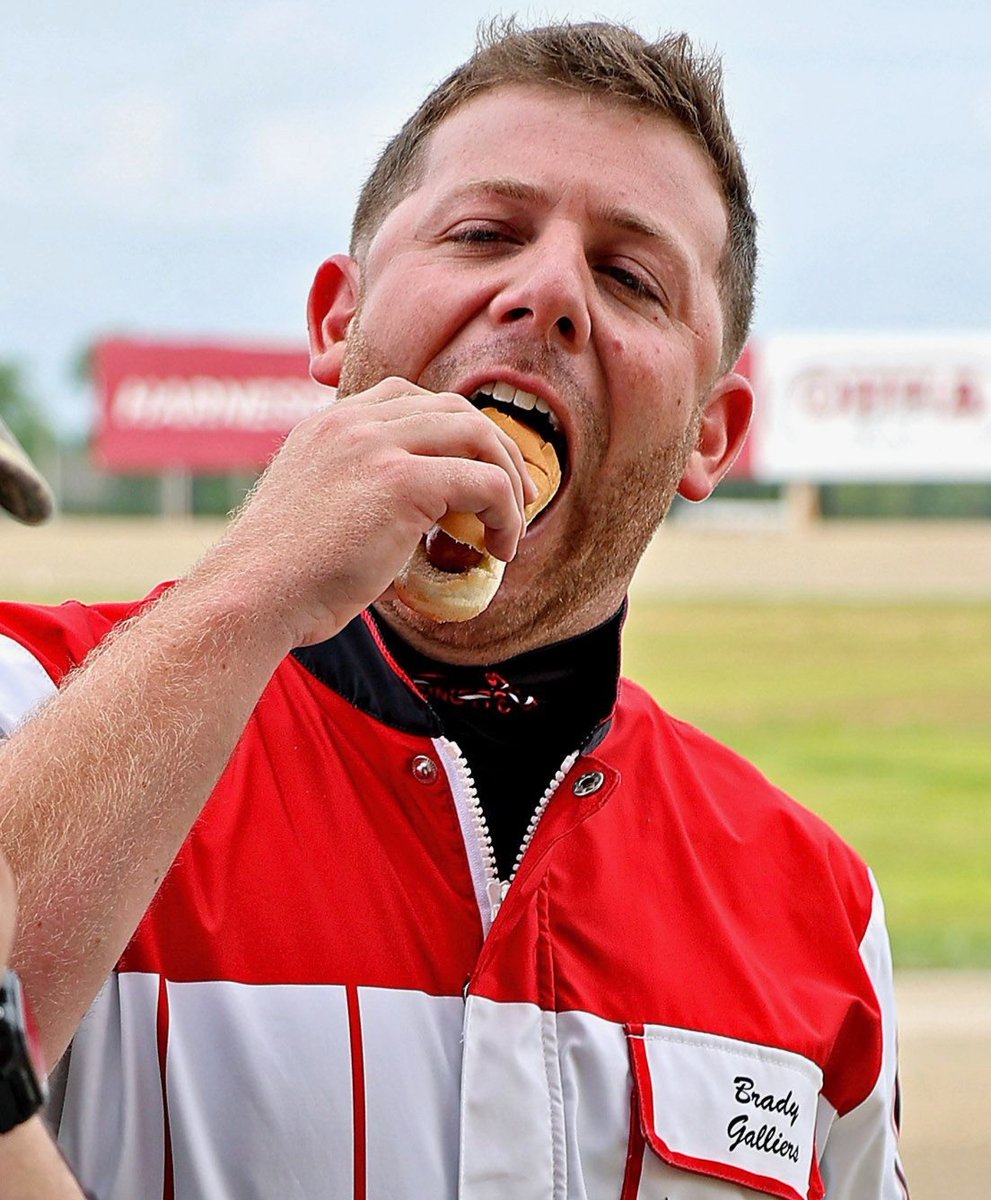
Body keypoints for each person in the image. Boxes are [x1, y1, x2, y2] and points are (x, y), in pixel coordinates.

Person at [0, 21, 905, 1200]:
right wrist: (262, 578)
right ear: (337, 321)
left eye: (631, 277)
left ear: (710, 435)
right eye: (484, 233)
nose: (546, 296)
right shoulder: (35, 695)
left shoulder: (817, 914)